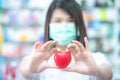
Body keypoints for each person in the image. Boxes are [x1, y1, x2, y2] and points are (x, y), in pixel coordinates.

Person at [19, 0, 113, 80]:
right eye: (58, 21)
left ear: (79, 26)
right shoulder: (39, 60)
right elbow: (24, 68)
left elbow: (107, 73)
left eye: (71, 21)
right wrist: (31, 69)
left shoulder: (93, 59)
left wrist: (96, 71)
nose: (64, 26)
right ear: (49, 24)